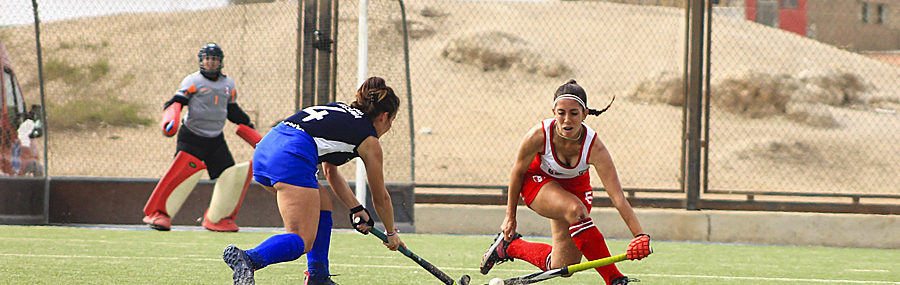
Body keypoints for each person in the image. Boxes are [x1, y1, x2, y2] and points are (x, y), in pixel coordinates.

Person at [222, 76, 404, 285]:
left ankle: (318, 276)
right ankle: (249, 259)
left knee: (322, 201)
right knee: (302, 238)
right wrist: (391, 233)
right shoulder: (369, 140)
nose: (388, 127)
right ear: (385, 116)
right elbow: (381, 197)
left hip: (266, 149)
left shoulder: (341, 112)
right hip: (291, 155)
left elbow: (330, 171)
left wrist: (355, 208)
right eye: (391, 122)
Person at [480, 80, 652, 285]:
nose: (566, 120)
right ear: (553, 111)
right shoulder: (538, 135)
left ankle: (509, 247)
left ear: (585, 114)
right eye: (561, 113)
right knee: (576, 210)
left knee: (562, 265)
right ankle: (615, 279)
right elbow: (517, 173)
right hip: (538, 182)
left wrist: (639, 235)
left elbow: (617, 197)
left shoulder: (595, 147)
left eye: (574, 113)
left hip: (575, 189)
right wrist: (510, 216)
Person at [142, 42, 256, 232]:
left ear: (221, 62)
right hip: (191, 137)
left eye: (214, 59)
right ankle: (158, 214)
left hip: (216, 139)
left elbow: (232, 110)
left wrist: (248, 126)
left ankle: (217, 219)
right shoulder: (192, 81)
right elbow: (176, 102)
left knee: (229, 176)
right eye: (207, 59)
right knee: (180, 175)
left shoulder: (228, 85)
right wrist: (171, 120)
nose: (211, 63)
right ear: (201, 61)